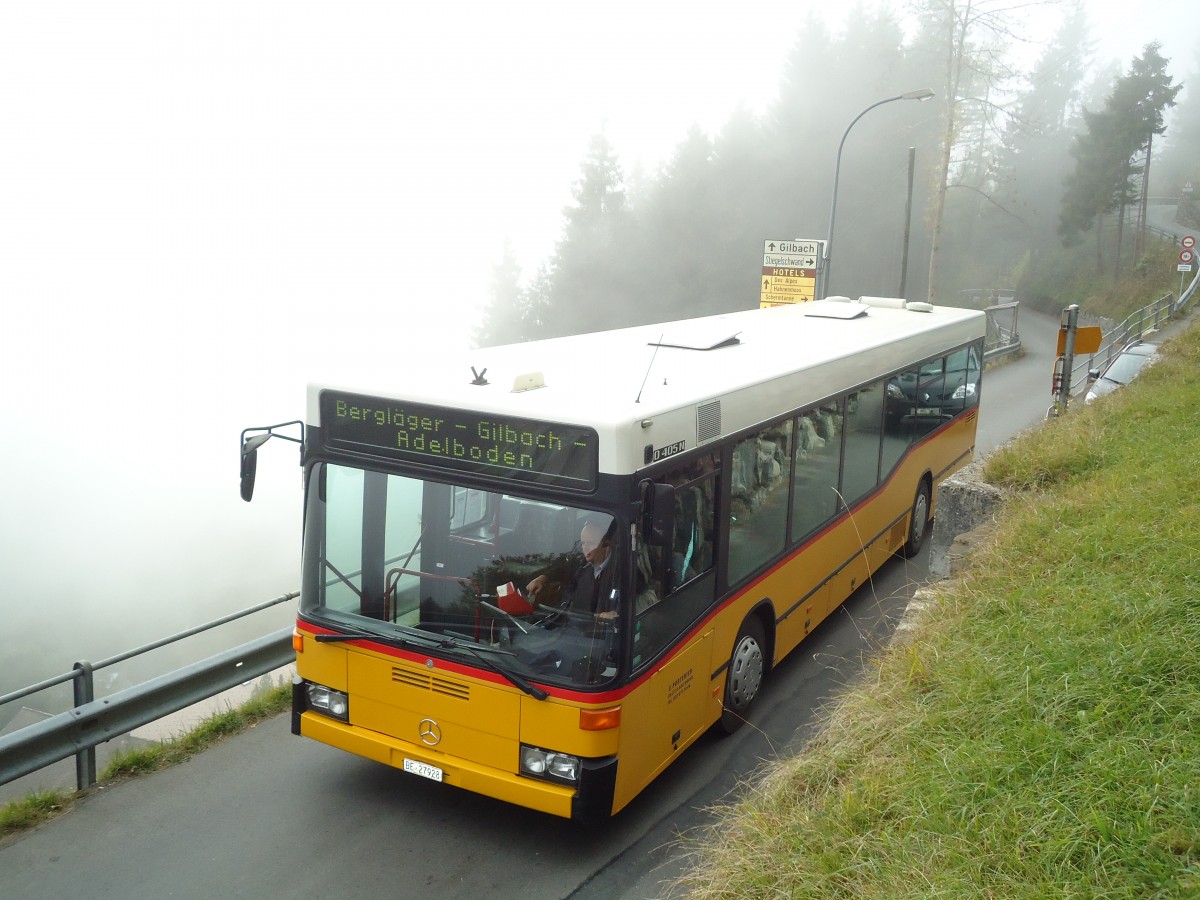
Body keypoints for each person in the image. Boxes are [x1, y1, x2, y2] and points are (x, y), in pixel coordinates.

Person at [526, 519, 618, 622]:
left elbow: (632, 602)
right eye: (583, 543)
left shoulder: (622, 570)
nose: (585, 548)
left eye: (591, 543)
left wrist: (615, 613)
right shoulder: (580, 562)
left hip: (601, 632)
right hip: (573, 625)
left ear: (606, 544)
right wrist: (542, 578)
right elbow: (564, 569)